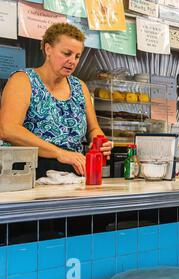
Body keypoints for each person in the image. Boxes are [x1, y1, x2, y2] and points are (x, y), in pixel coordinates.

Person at [0, 23, 112, 178]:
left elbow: (93, 129)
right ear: (48, 49)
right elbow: (8, 129)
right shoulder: (23, 81)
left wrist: (100, 142)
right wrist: (60, 153)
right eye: (67, 53)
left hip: (73, 176)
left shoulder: (80, 87)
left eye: (77, 56)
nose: (72, 61)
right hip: (27, 173)